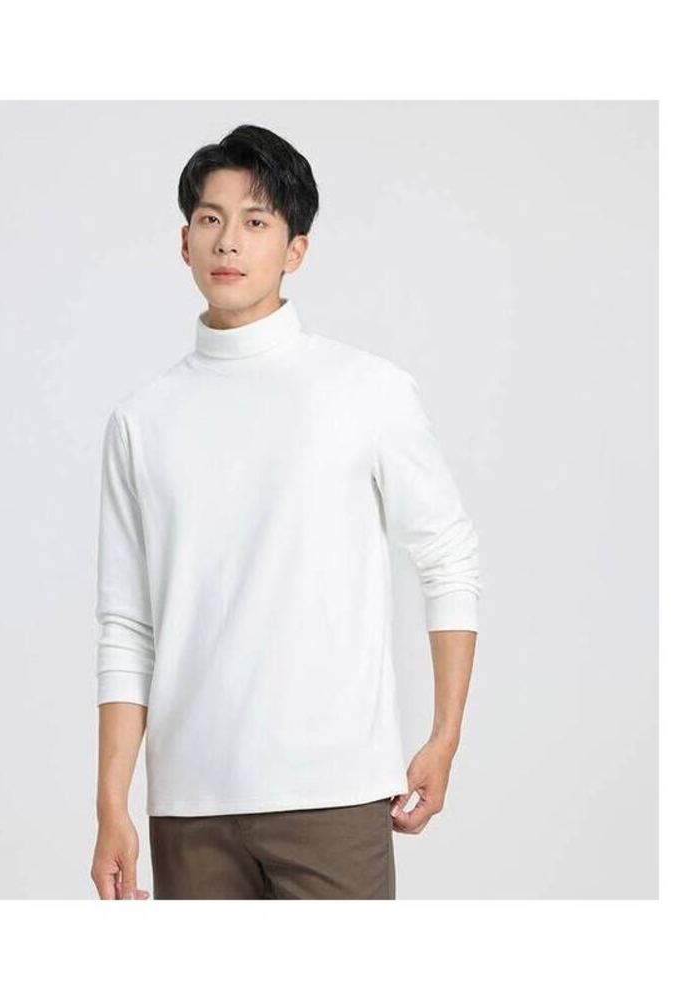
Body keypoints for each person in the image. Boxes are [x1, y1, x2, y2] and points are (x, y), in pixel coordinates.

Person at [90, 124, 480, 900]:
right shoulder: (142, 420)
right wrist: (112, 805)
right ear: (184, 241)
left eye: (256, 221)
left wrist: (445, 737)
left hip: (333, 795)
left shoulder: (367, 391)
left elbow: (448, 558)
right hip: (190, 808)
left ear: (295, 249)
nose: (228, 240)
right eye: (210, 218)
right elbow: (127, 624)